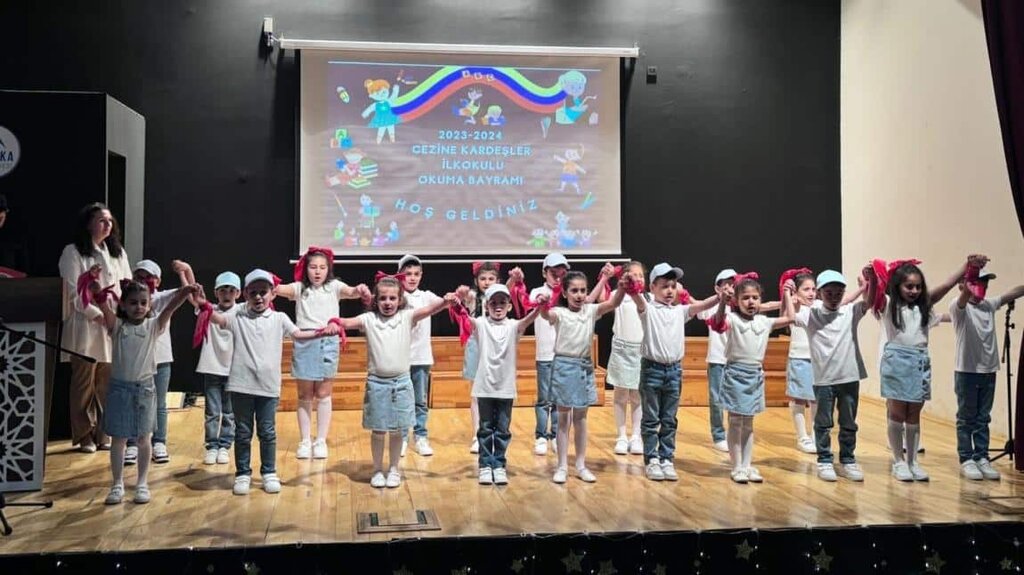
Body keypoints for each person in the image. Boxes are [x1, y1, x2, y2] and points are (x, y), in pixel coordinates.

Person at [201, 269, 330, 495]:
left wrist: (323, 333)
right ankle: (242, 474)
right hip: (241, 386)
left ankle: (269, 472)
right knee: (243, 432)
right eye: (253, 293)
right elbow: (217, 319)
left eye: (263, 292)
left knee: (267, 432)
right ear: (246, 295)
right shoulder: (238, 316)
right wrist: (201, 303)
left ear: (273, 293)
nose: (259, 297)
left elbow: (298, 335)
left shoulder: (279, 319)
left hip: (268, 387)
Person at [332, 273, 458, 488]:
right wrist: (334, 323)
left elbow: (430, 309)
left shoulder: (407, 316)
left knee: (398, 429)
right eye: (383, 298)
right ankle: (377, 469)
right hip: (377, 384)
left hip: (401, 383)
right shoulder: (369, 319)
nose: (388, 302)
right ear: (375, 300)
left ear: (400, 300)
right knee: (378, 430)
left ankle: (393, 469)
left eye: (392, 298)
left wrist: (446, 302)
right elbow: (346, 322)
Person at [866, 258, 968, 482]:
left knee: (913, 414)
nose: (914, 291)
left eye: (918, 287)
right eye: (909, 286)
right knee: (897, 413)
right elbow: (872, 298)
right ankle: (898, 461)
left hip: (919, 361)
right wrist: (872, 277)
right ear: (898, 286)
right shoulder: (889, 305)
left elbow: (946, 286)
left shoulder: (924, 308)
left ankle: (913, 461)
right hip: (896, 361)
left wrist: (966, 266)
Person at [98, 279, 196, 504]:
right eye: (133, 303)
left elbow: (169, 308)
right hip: (120, 390)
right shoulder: (117, 327)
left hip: (144, 390)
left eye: (144, 302)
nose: (139, 307)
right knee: (119, 439)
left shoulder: (153, 326)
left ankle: (142, 483)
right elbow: (103, 307)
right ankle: (117, 484)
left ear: (150, 304)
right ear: (123, 305)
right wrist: (96, 292)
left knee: (144, 438)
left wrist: (183, 293)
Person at [275, 246, 368, 461]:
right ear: (306, 269)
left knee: (324, 393)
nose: (317, 272)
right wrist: (268, 282)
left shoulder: (334, 287)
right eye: (313, 267)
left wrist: (360, 289)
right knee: (304, 394)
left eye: (322, 267)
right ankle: (305, 440)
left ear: (328, 269)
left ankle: (321, 440)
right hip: (305, 341)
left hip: (328, 342)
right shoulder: (299, 288)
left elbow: (352, 292)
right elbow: (279, 289)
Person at [629, 263, 719, 481]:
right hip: (652, 370)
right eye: (664, 286)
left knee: (669, 419)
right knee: (651, 418)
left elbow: (701, 306)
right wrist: (631, 289)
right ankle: (652, 459)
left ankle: (667, 458)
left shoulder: (680, 311)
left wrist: (721, 296)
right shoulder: (648, 309)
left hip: (674, 371)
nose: (669, 290)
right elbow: (638, 300)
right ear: (652, 288)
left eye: (673, 286)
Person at [57, 203, 133, 453]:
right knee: (83, 384)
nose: (107, 225)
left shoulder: (117, 252)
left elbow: (126, 285)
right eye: (101, 220)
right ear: (88, 224)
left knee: (107, 383)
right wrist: (98, 315)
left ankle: (104, 432)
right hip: (86, 325)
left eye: (110, 220)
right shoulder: (73, 252)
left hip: (112, 324)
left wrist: (121, 315)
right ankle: (84, 435)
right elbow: (72, 292)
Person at [540, 270, 626, 483]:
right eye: (574, 291)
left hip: (584, 366)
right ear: (565, 293)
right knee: (563, 418)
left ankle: (580, 464)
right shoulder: (559, 313)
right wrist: (542, 305)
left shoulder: (591, 311)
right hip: (564, 367)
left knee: (581, 418)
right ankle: (562, 466)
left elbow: (614, 303)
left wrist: (623, 287)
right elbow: (546, 315)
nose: (579, 295)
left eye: (582, 290)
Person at [711, 273, 793, 483]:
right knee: (735, 422)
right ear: (737, 301)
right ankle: (736, 466)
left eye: (755, 298)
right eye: (745, 298)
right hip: (735, 374)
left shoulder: (764, 322)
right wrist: (723, 301)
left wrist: (787, 294)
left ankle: (747, 465)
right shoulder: (733, 319)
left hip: (755, 374)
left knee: (748, 423)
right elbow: (717, 323)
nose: (751, 302)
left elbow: (790, 318)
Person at [793, 269, 871, 482]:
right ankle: (825, 460)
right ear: (820, 293)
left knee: (848, 422)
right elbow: (790, 317)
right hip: (824, 379)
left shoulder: (850, 311)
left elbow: (869, 302)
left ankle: (848, 459)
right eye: (829, 293)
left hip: (849, 377)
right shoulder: (811, 314)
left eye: (839, 293)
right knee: (823, 422)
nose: (834, 297)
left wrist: (869, 283)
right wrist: (787, 296)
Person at [951, 261, 1024, 480]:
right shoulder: (959, 307)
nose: (982, 287)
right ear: (964, 285)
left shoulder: (988, 305)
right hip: (967, 372)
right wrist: (968, 278)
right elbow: (963, 297)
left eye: (984, 283)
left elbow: (1013, 293)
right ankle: (966, 458)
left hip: (989, 370)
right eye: (977, 282)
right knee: (966, 418)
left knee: (983, 417)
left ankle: (982, 456)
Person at [467, 284, 544, 485]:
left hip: (506, 388)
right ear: (486, 306)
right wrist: (457, 303)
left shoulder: (513, 326)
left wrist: (540, 306)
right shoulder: (481, 324)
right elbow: (465, 318)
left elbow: (529, 319)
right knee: (485, 428)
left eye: (502, 302)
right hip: (484, 387)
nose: (498, 306)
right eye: (493, 303)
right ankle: (485, 465)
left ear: (509, 306)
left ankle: (499, 464)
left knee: (502, 429)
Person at [397, 254, 444, 457]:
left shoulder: (426, 296)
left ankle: (420, 436)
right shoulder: (396, 297)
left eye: (416, 274)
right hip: (400, 358)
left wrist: (453, 297)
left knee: (420, 401)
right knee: (401, 400)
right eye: (408, 274)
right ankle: (401, 437)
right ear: (400, 275)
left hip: (421, 358)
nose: (412, 278)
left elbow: (443, 303)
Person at [194, 271, 241, 466]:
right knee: (212, 411)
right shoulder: (209, 309)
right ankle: (212, 446)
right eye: (223, 290)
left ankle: (225, 445)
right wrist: (185, 272)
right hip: (212, 367)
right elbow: (194, 299)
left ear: (238, 293)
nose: (227, 294)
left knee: (229, 412)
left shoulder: (241, 311)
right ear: (216, 293)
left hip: (233, 369)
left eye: (231, 290)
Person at [459, 261, 503, 453]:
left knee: (495, 393)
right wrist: (462, 292)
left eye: (491, 278)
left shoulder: (502, 298)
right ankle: (477, 434)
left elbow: (509, 288)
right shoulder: (473, 298)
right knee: (476, 394)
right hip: (476, 346)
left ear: (498, 281)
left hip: (496, 347)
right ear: (476, 281)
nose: (487, 282)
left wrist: (513, 280)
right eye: (483, 278)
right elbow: (464, 295)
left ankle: (494, 432)